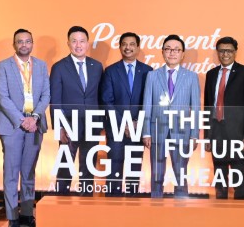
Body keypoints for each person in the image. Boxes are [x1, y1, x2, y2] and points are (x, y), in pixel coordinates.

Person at [0, 29, 50, 227]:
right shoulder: (3, 66)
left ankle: (27, 213)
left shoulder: (41, 66)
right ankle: (12, 216)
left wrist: (34, 117)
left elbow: (46, 95)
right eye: (20, 41)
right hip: (12, 125)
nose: (24, 45)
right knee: (11, 172)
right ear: (14, 44)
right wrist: (22, 120)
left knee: (29, 171)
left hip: (35, 124)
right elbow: (2, 97)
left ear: (32, 44)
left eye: (27, 41)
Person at [142, 35, 201, 197]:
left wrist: (194, 134)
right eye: (168, 49)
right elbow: (147, 105)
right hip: (157, 131)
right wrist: (146, 132)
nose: (172, 53)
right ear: (162, 52)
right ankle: (156, 206)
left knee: (181, 175)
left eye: (176, 50)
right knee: (156, 175)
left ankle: (181, 207)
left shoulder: (191, 77)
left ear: (182, 54)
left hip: (182, 132)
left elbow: (196, 108)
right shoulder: (152, 76)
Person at [50, 26, 103, 195]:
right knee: (65, 167)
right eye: (74, 41)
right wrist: (59, 127)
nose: (78, 45)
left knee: (88, 167)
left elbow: (100, 97)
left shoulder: (97, 66)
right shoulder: (59, 67)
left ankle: (85, 203)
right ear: (68, 43)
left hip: (92, 124)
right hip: (68, 125)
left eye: (82, 41)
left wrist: (102, 123)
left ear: (87, 44)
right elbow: (55, 100)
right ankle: (61, 202)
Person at [99, 32, 150, 196]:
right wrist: (125, 123)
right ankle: (111, 206)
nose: (128, 47)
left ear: (138, 48)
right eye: (124, 44)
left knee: (134, 171)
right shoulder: (110, 71)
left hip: (138, 128)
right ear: (120, 47)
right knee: (114, 170)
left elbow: (149, 102)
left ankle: (132, 205)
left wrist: (136, 122)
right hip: (116, 129)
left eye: (132, 44)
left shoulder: (148, 71)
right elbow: (106, 101)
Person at [204, 37, 244, 200]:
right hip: (216, 132)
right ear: (217, 52)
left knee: (239, 174)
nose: (225, 54)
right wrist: (207, 136)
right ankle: (221, 208)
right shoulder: (211, 74)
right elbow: (208, 106)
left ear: (235, 52)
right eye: (222, 51)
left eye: (229, 51)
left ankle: (241, 208)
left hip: (238, 134)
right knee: (220, 174)